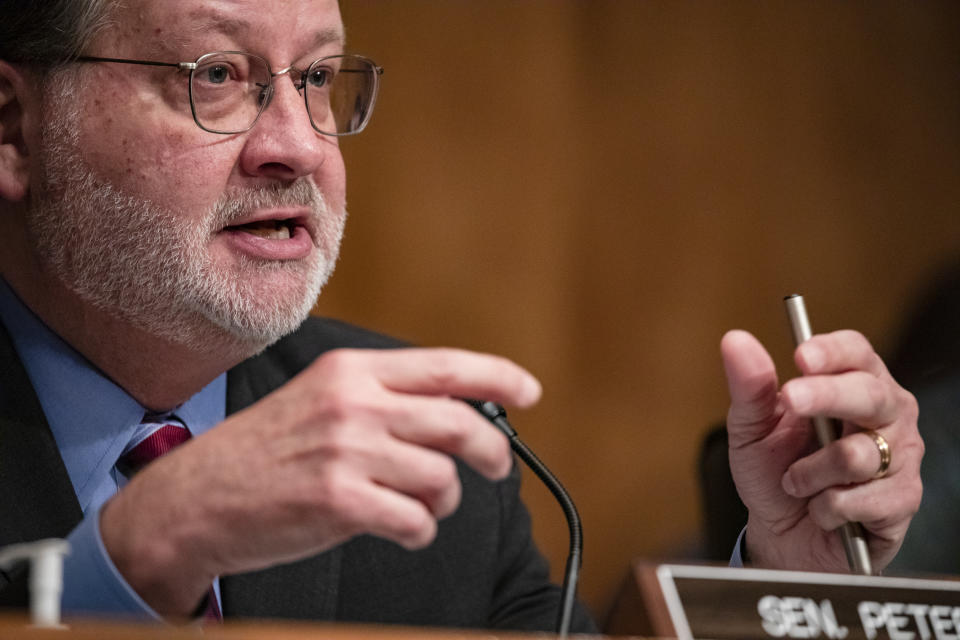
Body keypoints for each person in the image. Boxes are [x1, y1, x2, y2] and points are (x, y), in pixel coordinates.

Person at [0, 0, 923, 631]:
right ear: (13, 127)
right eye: (216, 76)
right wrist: (134, 555)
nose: (295, 147)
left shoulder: (433, 457)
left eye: (318, 79)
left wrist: (792, 590)